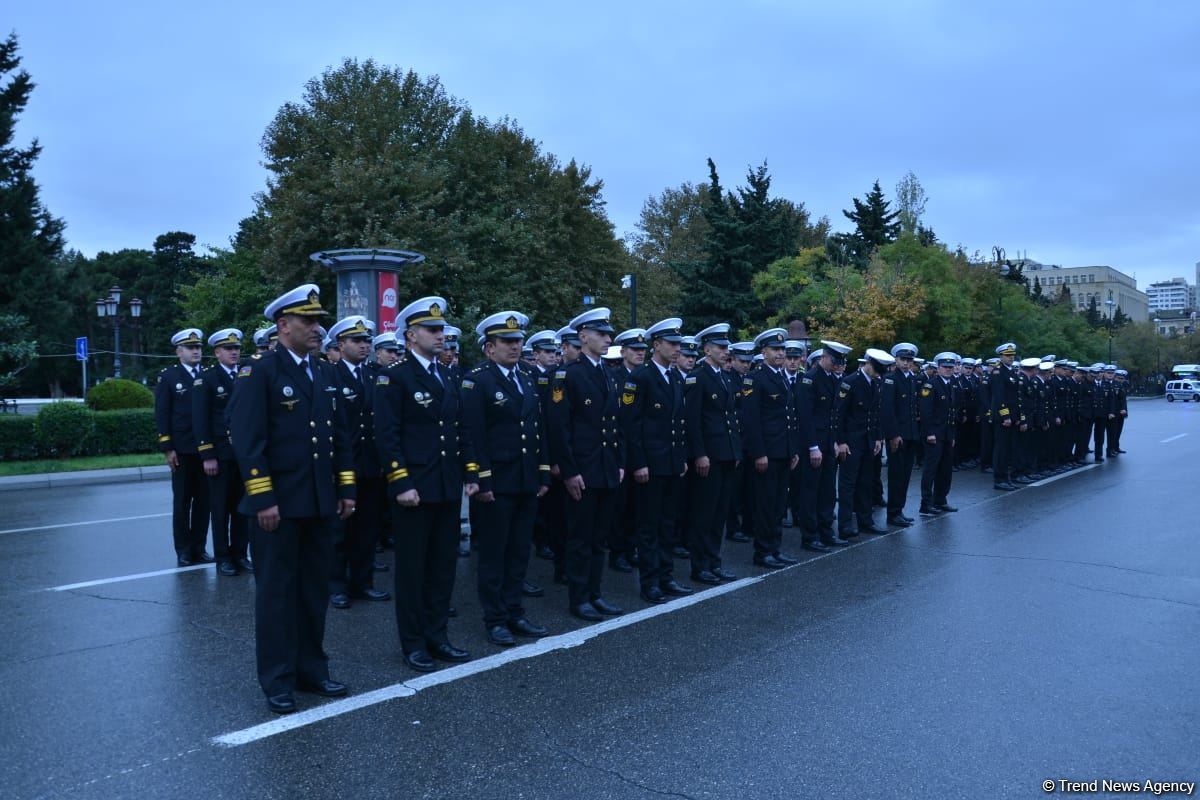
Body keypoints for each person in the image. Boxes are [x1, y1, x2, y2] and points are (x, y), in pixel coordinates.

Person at [226, 284, 356, 714]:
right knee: (277, 595)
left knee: (313, 591)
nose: (318, 328)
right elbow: (248, 440)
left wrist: (345, 489)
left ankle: (311, 670)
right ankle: (278, 679)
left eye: (319, 321)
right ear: (283, 325)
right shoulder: (260, 372)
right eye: (308, 321)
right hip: (278, 507)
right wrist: (263, 497)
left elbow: (338, 437)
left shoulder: (323, 371)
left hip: (318, 502)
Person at [374, 296, 478, 672]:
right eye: (432, 330)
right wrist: (401, 481)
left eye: (441, 330)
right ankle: (413, 642)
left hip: (446, 485)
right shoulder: (394, 377)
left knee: (442, 566)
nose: (440, 336)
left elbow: (459, 429)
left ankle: (438, 636)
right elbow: (387, 435)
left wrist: (469, 473)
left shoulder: (447, 375)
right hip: (414, 489)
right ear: (410, 335)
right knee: (413, 570)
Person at [461, 312, 552, 645]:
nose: (515, 346)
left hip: (525, 479)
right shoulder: (477, 381)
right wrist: (482, 480)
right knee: (494, 554)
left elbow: (538, 428)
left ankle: (515, 611)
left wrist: (543, 471)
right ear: (490, 348)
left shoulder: (526, 377)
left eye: (518, 341)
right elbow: (472, 435)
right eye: (507, 341)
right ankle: (495, 618)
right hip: (496, 482)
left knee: (519, 551)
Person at [548, 308, 627, 621]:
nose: (608, 339)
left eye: (608, 334)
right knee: (580, 538)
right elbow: (560, 428)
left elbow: (615, 424)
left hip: (605, 468)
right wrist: (569, 471)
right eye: (601, 334)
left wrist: (619, 462)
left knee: (599, 538)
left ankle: (595, 593)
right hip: (583, 469)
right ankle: (579, 598)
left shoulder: (608, 372)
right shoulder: (568, 374)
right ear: (583, 337)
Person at [624, 318, 695, 604]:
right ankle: (650, 582)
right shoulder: (641, 377)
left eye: (679, 344)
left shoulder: (675, 377)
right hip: (651, 465)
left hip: (672, 463)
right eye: (672, 343)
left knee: (668, 524)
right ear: (656, 345)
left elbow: (679, 422)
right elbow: (631, 425)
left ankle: (666, 576)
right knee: (649, 526)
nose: (677, 349)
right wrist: (639, 462)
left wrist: (682, 458)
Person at [326, 316, 391, 609]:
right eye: (357, 340)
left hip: (371, 463)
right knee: (340, 530)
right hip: (344, 464)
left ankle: (362, 583)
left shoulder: (375, 375)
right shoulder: (330, 375)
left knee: (367, 528)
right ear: (341, 345)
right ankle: (336, 585)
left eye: (367, 341)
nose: (364, 345)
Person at [740, 328, 803, 569]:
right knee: (765, 505)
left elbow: (789, 417)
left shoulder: (781, 377)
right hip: (767, 452)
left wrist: (793, 450)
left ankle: (774, 548)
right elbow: (751, 420)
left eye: (782, 349)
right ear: (764, 352)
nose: (780, 353)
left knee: (778, 504)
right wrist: (759, 453)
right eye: (775, 349)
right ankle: (763, 551)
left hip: (783, 451)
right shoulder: (755, 378)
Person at [684, 323, 742, 585]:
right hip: (710, 455)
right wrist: (699, 453)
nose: (725, 351)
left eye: (726, 346)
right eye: (720, 347)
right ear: (707, 350)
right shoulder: (698, 377)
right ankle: (700, 566)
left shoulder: (724, 376)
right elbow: (692, 420)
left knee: (720, 513)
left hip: (726, 453)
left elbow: (730, 417)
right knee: (704, 514)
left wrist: (735, 450)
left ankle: (714, 562)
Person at [192, 328, 251, 576]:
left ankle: (240, 554)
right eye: (228, 348)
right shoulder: (206, 379)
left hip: (243, 453)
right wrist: (207, 455)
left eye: (236, 348)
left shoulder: (247, 374)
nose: (234, 352)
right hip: (220, 453)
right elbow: (200, 419)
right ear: (217, 352)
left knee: (242, 507)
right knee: (220, 508)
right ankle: (223, 557)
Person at [156, 328, 212, 567]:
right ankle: (183, 550)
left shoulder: (208, 375)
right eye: (191, 348)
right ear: (179, 352)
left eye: (198, 347)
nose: (196, 351)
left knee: (204, 502)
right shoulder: (169, 377)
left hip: (206, 450)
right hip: (181, 450)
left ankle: (199, 548)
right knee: (182, 502)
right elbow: (162, 414)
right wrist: (167, 448)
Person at [798, 343, 851, 551]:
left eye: (840, 362)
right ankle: (810, 537)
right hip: (815, 444)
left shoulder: (832, 378)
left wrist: (836, 442)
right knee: (811, 492)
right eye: (834, 361)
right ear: (824, 357)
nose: (837, 366)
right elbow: (806, 416)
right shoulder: (810, 379)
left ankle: (826, 532)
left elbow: (834, 415)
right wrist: (813, 446)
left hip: (829, 443)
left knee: (828, 491)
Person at [834, 348, 892, 537]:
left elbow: (875, 413)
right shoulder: (850, 382)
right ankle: (845, 525)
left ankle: (866, 521)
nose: (878, 373)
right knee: (848, 484)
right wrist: (841, 441)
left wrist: (877, 438)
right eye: (876, 369)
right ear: (867, 363)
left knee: (866, 483)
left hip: (868, 441)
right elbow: (839, 414)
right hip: (851, 442)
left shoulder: (875, 383)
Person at [608, 328, 648, 574]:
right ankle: (617, 552)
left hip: (642, 450)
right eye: (635, 349)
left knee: (637, 506)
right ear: (623, 352)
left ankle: (631, 548)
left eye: (643, 350)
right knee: (619, 507)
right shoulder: (615, 377)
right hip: (621, 450)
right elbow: (621, 420)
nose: (640, 354)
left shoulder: (645, 376)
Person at [881, 343, 920, 528]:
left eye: (909, 360)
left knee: (905, 476)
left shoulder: (912, 379)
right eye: (903, 359)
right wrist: (893, 435)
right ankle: (893, 513)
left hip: (911, 434)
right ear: (895, 360)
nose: (906, 363)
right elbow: (888, 410)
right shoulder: (890, 379)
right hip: (898, 436)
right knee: (896, 476)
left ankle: (899, 510)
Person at [919, 353, 960, 515]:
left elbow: (952, 412)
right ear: (938, 368)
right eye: (945, 367)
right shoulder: (930, 385)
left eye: (951, 367)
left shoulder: (952, 384)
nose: (948, 370)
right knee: (931, 470)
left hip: (947, 434)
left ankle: (941, 500)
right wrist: (929, 433)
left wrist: (953, 435)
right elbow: (925, 411)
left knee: (945, 469)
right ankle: (926, 504)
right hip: (934, 434)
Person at [990, 343, 1020, 491]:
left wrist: (1017, 416)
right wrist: (1005, 416)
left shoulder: (1011, 372)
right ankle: (999, 479)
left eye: (1012, 355)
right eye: (1007, 355)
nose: (1011, 358)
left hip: (1012, 416)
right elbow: (999, 396)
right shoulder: (998, 372)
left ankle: (1006, 478)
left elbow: (1015, 396)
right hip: (1003, 418)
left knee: (1008, 449)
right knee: (1001, 449)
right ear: (1001, 356)